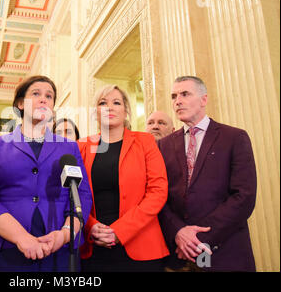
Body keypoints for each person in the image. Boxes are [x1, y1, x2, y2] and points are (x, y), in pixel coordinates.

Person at [0, 75, 93, 272]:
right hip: (7, 250)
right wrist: (22, 238)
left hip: (59, 252)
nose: (44, 99)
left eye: (49, 96)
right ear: (20, 103)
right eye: (36, 94)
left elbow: (82, 195)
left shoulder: (69, 147)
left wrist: (64, 234)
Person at [158, 76, 257, 272]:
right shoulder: (163, 145)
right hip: (178, 257)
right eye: (174, 96)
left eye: (185, 94)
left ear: (204, 99)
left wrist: (196, 239)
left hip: (225, 252)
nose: (177, 101)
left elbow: (244, 197)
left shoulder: (234, 137)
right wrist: (178, 232)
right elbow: (158, 196)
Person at [78, 85, 169, 272]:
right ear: (95, 112)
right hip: (94, 247)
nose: (109, 107)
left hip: (141, 246)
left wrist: (121, 231)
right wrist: (90, 226)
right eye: (103, 103)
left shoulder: (145, 142)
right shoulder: (81, 147)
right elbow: (73, 196)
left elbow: (158, 191)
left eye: (116, 102)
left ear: (126, 111)